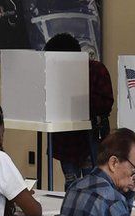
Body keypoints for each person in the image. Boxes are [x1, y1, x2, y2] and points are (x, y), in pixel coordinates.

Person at [44, 33, 114, 185]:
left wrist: (78, 96)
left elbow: (106, 104)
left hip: (91, 137)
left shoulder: (96, 70)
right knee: (71, 185)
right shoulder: (54, 73)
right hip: (66, 139)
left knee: (94, 184)